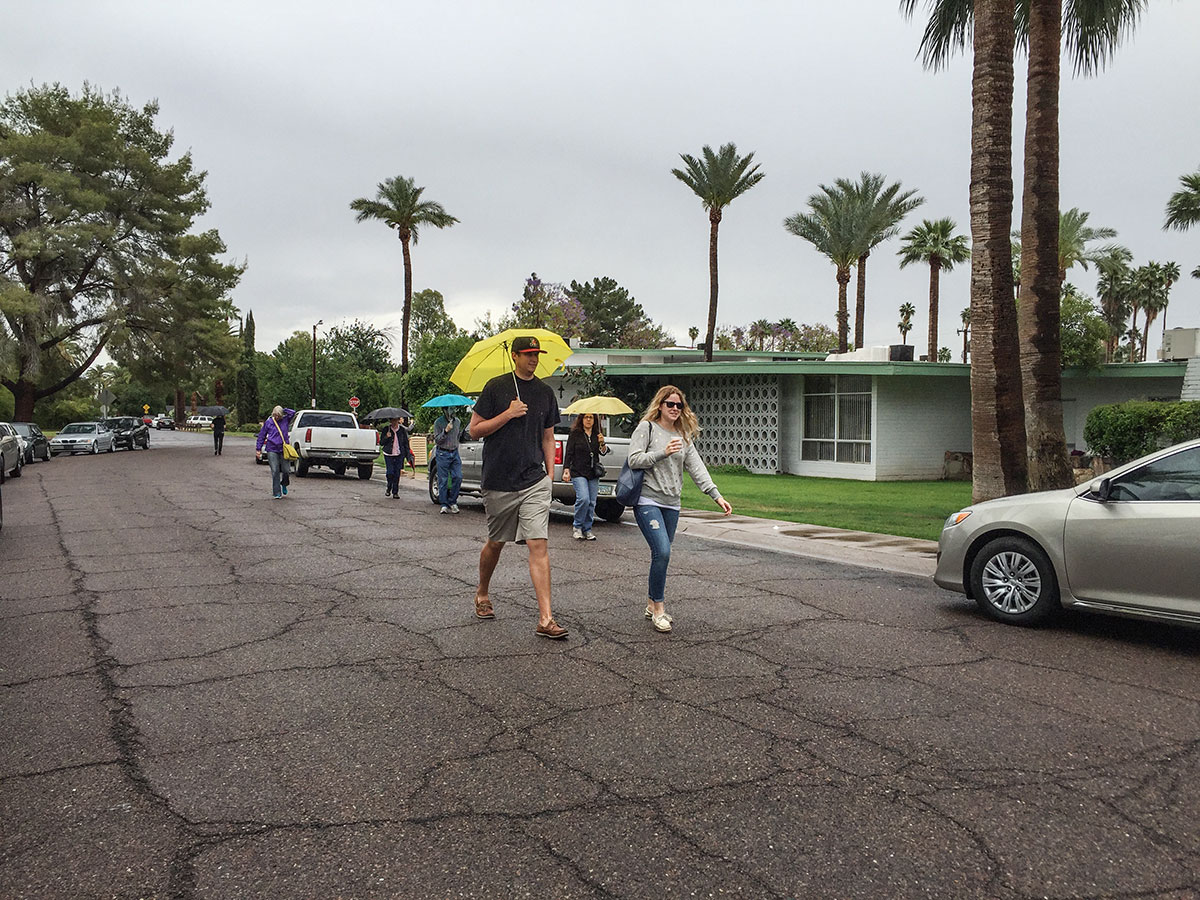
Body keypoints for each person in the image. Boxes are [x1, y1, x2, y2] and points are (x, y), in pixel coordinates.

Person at [469, 335, 567, 639]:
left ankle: (546, 619)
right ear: (514, 356)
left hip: (534, 479)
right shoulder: (496, 388)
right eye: (527, 354)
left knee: (539, 543)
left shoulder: (545, 393)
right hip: (499, 480)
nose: (533, 359)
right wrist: (507, 414)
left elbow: (548, 436)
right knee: (496, 542)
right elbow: (474, 430)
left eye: (536, 354)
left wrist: (549, 475)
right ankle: (482, 592)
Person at [627, 385, 732, 633]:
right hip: (647, 500)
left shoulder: (684, 436)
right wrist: (661, 453)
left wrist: (716, 496)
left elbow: (697, 468)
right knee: (662, 551)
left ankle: (651, 603)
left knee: (661, 554)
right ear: (660, 405)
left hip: (672, 504)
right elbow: (634, 459)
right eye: (670, 404)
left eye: (679, 405)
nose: (675, 409)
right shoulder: (647, 428)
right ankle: (659, 609)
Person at [561, 412, 606, 540]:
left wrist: (602, 443)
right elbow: (569, 452)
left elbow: (603, 452)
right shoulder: (575, 434)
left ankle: (587, 529)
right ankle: (577, 526)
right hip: (578, 471)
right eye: (586, 417)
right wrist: (566, 469)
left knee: (592, 502)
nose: (588, 420)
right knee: (583, 499)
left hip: (593, 472)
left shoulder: (597, 434)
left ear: (594, 420)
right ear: (581, 419)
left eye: (591, 417)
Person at [255, 406, 296, 499]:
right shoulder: (269, 422)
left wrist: (284, 410)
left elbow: (293, 412)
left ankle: (284, 483)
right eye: (275, 415)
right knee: (275, 471)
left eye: (279, 415)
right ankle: (277, 492)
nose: (277, 417)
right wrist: (258, 449)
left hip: (283, 449)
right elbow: (262, 436)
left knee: (286, 470)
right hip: (271, 449)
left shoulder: (286, 420)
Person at [433, 407, 463, 514]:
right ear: (444, 410)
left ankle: (452, 501)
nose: (452, 411)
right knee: (443, 480)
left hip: (454, 452)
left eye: (454, 409)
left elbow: (458, 436)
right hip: (443, 452)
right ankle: (444, 504)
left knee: (458, 476)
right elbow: (437, 440)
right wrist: (445, 431)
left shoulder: (458, 422)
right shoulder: (438, 422)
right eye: (450, 409)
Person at [380, 417, 416, 498]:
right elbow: (382, 442)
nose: (394, 422)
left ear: (398, 420)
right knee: (390, 472)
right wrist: (386, 437)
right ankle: (389, 486)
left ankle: (395, 492)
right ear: (390, 421)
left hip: (399, 454)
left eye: (396, 420)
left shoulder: (402, 430)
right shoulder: (387, 429)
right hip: (388, 454)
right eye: (392, 420)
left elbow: (406, 443)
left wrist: (408, 455)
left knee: (397, 473)